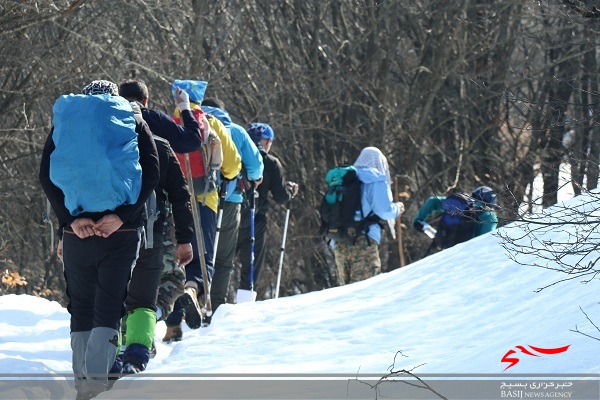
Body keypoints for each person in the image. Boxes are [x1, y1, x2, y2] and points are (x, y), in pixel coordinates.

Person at [39, 80, 160, 399]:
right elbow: (152, 170)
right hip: (119, 231)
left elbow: (45, 174)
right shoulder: (132, 117)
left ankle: (82, 381)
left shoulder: (67, 121)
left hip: (75, 231)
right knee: (108, 304)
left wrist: (70, 220)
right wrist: (124, 215)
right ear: (114, 98)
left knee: (80, 305)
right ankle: (95, 382)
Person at [115, 102, 195, 374]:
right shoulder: (161, 146)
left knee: (111, 294)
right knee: (143, 298)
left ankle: (109, 351)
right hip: (151, 232)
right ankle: (137, 354)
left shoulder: (107, 148)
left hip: (108, 233)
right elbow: (181, 197)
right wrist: (185, 239)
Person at [161, 95, 242, 340]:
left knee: (176, 261)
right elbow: (233, 165)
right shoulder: (211, 122)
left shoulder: (167, 122)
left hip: (173, 201)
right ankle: (192, 290)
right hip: (204, 198)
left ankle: (172, 324)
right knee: (202, 258)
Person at [200, 98, 264, 312]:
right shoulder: (235, 131)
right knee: (223, 258)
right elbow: (255, 167)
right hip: (229, 200)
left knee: (196, 250)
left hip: (196, 198)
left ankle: (190, 297)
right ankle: (215, 306)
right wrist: (254, 178)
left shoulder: (191, 123)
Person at [236, 123, 298, 299]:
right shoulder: (271, 163)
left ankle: (212, 304)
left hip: (231, 214)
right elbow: (280, 197)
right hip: (256, 219)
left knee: (222, 262)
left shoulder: (236, 156)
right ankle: (244, 305)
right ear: (266, 141)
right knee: (251, 267)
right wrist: (290, 191)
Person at [333, 147, 404, 285]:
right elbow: (384, 210)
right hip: (363, 240)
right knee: (364, 290)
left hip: (339, 241)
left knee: (344, 293)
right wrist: (397, 208)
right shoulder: (375, 179)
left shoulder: (343, 179)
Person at [412, 185, 499, 253]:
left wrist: (418, 220)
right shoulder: (489, 216)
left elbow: (433, 201)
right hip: (465, 255)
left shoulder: (462, 204)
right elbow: (485, 242)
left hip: (443, 247)